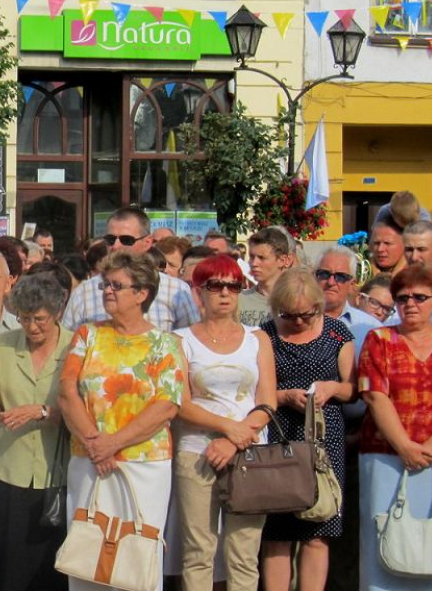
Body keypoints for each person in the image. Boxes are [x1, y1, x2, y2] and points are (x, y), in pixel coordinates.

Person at [57, 251, 184, 591]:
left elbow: (167, 406)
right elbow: (67, 391)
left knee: (137, 556)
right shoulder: (87, 335)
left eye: (116, 285)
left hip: (144, 466)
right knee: (87, 552)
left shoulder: (166, 344)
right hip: (89, 460)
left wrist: (113, 443)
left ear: (142, 293)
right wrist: (95, 444)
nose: (107, 291)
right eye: (105, 285)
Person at [173, 254, 278, 591]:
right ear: (198, 291)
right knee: (198, 552)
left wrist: (235, 438)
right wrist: (226, 428)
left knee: (244, 555)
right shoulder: (179, 340)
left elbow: (267, 401)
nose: (224, 293)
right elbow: (180, 404)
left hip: (248, 454)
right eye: (215, 285)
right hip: (196, 453)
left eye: (233, 286)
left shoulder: (258, 338)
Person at [259, 269, 355, 591]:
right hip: (279, 437)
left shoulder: (337, 333)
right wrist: (284, 396)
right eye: (289, 315)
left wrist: (331, 389)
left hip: (323, 441)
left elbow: (352, 389)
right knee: (278, 532)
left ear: (317, 305)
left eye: (306, 315)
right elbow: (256, 391)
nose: (298, 321)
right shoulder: (265, 334)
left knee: (319, 530)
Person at [0, 274, 72, 591]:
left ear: (57, 313)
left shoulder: (77, 346)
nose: (32, 327)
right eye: (24, 319)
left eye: (40, 319)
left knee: (54, 568)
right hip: (10, 470)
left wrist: (42, 411)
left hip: (58, 473)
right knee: (9, 566)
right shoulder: (0, 346)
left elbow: (86, 411)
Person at [357, 264, 432, 591]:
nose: (410, 303)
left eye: (420, 297)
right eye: (402, 297)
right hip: (385, 455)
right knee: (383, 542)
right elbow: (375, 396)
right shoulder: (379, 339)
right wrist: (404, 446)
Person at [62, 207, 199, 333]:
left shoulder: (176, 291)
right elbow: (68, 345)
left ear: (147, 242)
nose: (116, 246)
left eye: (126, 240)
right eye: (110, 239)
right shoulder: (84, 293)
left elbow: (189, 346)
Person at [238, 228, 295, 326]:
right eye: (251, 257)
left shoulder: (297, 300)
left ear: (283, 260)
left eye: (261, 258)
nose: (254, 263)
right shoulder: (239, 300)